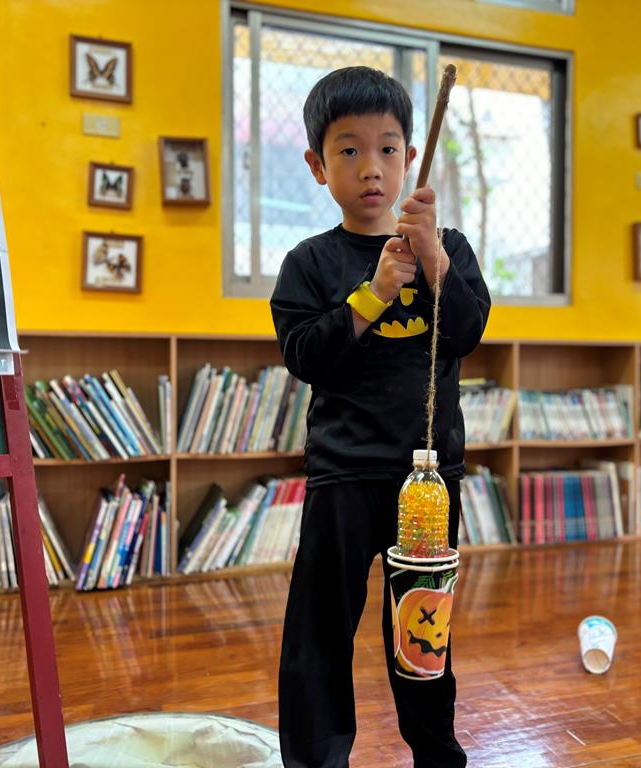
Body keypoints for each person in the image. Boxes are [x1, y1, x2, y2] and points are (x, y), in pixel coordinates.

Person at [270, 65, 491, 768]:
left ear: (409, 158)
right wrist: (372, 295)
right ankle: (316, 759)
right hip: (342, 474)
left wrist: (433, 260)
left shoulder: (448, 247)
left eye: (388, 149)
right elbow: (305, 355)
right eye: (349, 150)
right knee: (320, 631)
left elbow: (467, 333)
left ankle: (437, 755)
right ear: (317, 166)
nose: (372, 167)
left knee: (424, 629)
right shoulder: (309, 262)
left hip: (427, 479)